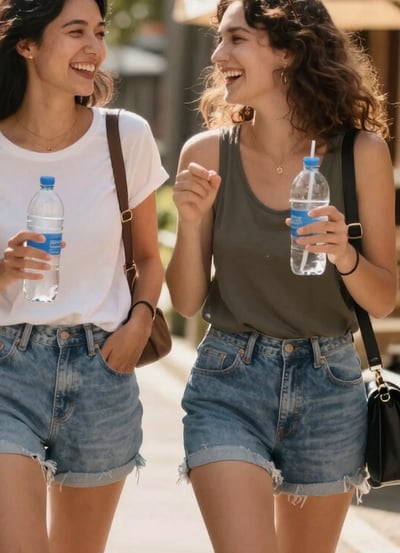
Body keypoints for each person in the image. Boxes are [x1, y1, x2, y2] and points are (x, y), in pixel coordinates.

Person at [0, 1, 169, 552]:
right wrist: (2, 271)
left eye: (99, 33)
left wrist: (138, 324)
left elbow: (150, 259)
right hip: (3, 372)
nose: (94, 48)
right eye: (76, 32)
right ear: (28, 44)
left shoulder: (124, 138)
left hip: (103, 369)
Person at [165, 1, 397, 552]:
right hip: (228, 379)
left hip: (331, 385)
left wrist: (345, 255)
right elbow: (187, 299)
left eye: (236, 40)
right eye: (219, 40)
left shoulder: (360, 153)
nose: (218, 55)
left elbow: (384, 298)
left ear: (289, 52)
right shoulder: (205, 154)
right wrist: (193, 220)